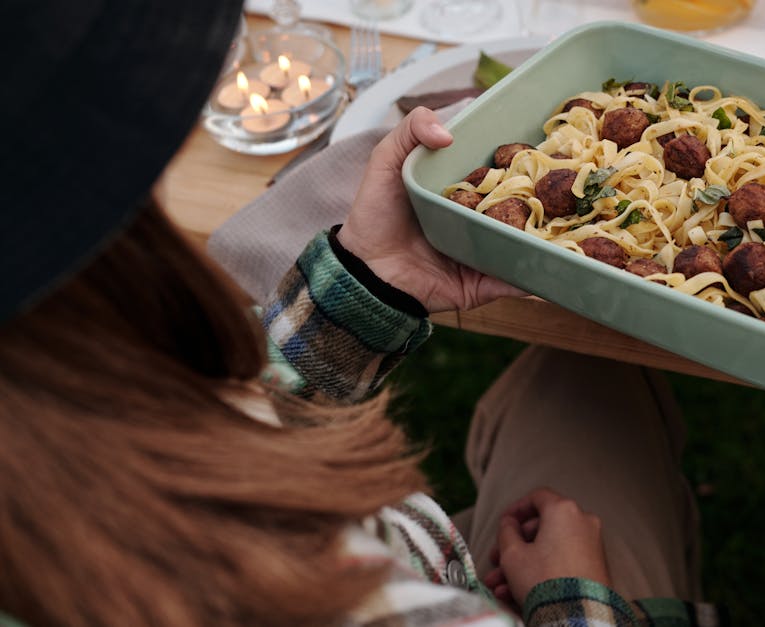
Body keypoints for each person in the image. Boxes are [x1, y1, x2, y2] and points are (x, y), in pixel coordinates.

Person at [0, 2, 706, 626]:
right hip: (499, 589)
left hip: (428, 552)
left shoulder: (61, 420)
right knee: (599, 389)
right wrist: (572, 595)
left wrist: (368, 281)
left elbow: (223, 421)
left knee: (569, 375)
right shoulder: (317, 595)